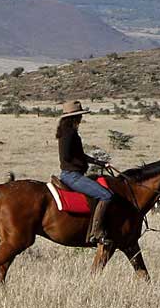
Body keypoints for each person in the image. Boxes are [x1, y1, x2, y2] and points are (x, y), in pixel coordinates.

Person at [55, 100, 116, 244]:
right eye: (80, 115)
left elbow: (79, 154)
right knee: (106, 195)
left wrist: (100, 163)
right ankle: (96, 232)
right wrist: (78, 161)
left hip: (73, 174)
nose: (81, 118)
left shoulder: (68, 131)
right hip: (72, 176)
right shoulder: (69, 133)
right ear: (74, 117)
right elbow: (67, 156)